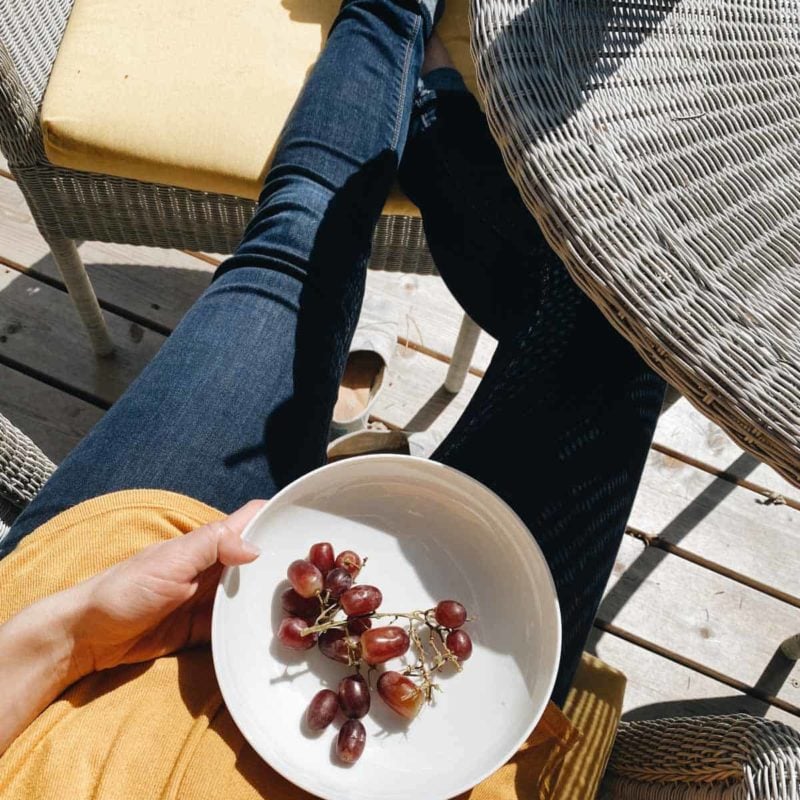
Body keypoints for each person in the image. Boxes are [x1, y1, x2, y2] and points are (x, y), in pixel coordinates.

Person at [0, 0, 666, 793]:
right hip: (455, 759)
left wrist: (68, 634)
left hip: (80, 667)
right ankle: (433, 110)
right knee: (619, 326)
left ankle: (391, 20)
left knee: (298, 237)